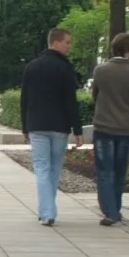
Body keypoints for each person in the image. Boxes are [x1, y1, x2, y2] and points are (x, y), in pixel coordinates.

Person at [20, 27, 84, 226]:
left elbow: (25, 100)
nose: (69, 47)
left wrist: (25, 127)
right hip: (59, 126)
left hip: (37, 125)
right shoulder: (64, 68)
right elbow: (70, 101)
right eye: (67, 42)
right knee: (54, 169)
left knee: (41, 168)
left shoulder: (32, 67)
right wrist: (78, 130)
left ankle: (47, 212)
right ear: (55, 42)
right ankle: (48, 210)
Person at [92, 32, 129, 226]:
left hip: (103, 126)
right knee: (120, 171)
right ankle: (116, 209)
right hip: (126, 127)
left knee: (104, 171)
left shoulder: (100, 71)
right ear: (128, 50)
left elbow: (95, 95)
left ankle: (109, 211)